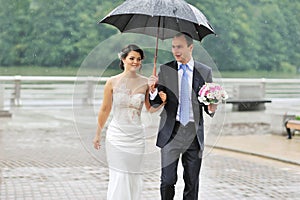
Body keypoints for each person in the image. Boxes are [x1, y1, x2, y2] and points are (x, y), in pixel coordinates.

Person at [149, 32, 217, 200]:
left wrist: (212, 107)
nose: (175, 50)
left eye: (179, 46)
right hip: (171, 133)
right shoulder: (166, 69)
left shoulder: (204, 71)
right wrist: (153, 90)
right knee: (167, 181)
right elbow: (157, 103)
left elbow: (208, 105)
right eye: (173, 47)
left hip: (193, 135)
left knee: (192, 182)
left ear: (190, 47)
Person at [93, 44, 166, 200]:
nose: (135, 62)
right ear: (123, 59)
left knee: (132, 175)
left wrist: (161, 101)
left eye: (139, 59)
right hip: (116, 136)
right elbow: (105, 109)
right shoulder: (111, 82)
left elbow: (149, 109)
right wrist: (98, 134)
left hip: (136, 138)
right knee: (119, 174)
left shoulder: (146, 82)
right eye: (132, 58)